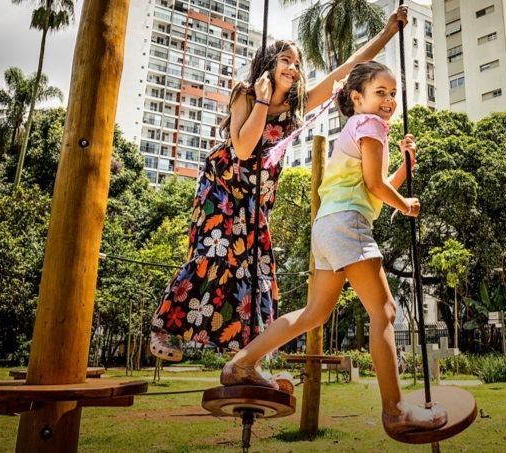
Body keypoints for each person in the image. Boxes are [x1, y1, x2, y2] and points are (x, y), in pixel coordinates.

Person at [150, 6, 410, 362]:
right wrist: (260, 101)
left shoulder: (296, 103)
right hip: (224, 186)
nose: (293, 68)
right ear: (269, 64)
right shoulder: (245, 93)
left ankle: (246, 356)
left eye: (298, 63)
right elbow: (242, 148)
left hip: (258, 197)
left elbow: (348, 69)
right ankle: (166, 326)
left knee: (256, 269)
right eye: (286, 60)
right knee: (215, 252)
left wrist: (388, 32)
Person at [221, 61, 447, 436]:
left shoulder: (359, 127)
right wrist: (405, 205)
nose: (389, 100)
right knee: (385, 313)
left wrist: (405, 169)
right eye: (380, 93)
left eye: (393, 94)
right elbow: (376, 187)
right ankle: (395, 411)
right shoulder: (370, 124)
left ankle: (242, 363)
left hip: (327, 226)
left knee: (314, 313)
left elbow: (371, 185)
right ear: (356, 98)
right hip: (347, 224)